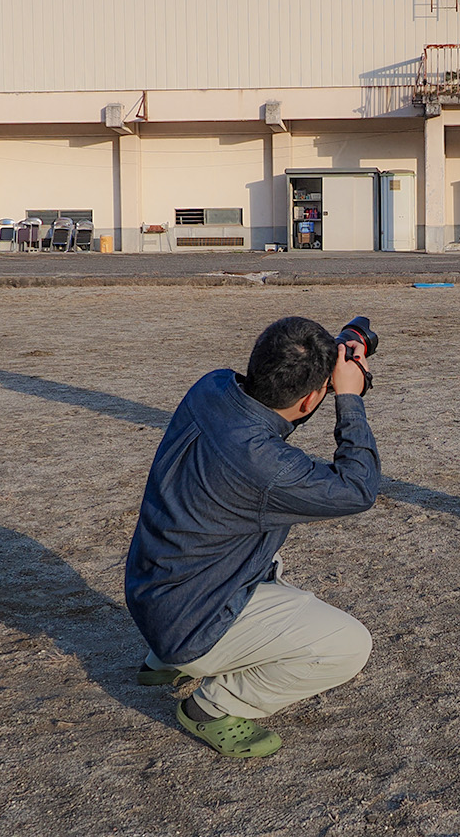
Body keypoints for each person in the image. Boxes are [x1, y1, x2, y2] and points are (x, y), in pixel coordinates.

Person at [124, 316, 379, 758]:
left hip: (154, 584)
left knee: (250, 544)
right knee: (349, 645)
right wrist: (350, 399)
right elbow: (357, 490)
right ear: (312, 398)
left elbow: (271, 409)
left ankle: (161, 662)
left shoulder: (211, 387)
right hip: (191, 621)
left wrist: (318, 376)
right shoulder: (269, 467)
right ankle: (211, 706)